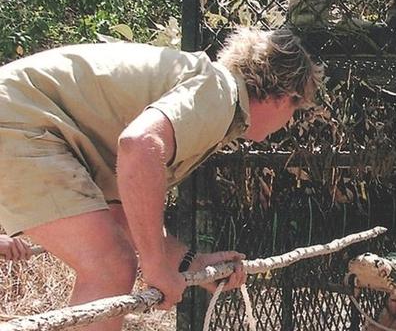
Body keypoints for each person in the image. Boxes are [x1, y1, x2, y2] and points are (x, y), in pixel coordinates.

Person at [0, 28, 323, 331]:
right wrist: (155, 265)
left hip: (24, 115)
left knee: (113, 261)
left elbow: (123, 213)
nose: (287, 122)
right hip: (22, 119)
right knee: (111, 265)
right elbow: (140, 145)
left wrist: (185, 261)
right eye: (295, 111)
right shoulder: (219, 91)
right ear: (284, 97)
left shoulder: (208, 90)